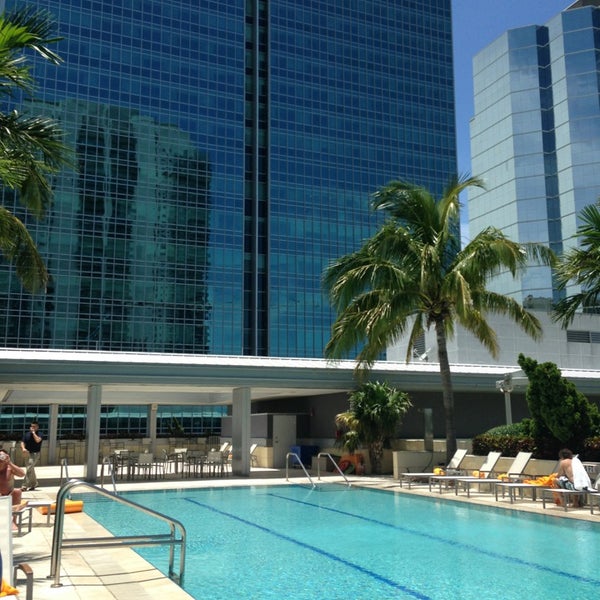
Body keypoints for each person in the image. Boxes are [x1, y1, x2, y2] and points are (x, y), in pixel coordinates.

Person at [0, 447, 26, 531]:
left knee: (17, 492)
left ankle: (13, 521)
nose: (1, 458)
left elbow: (22, 474)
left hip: (9, 495)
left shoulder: (9, 468)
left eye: (2, 456)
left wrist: (10, 462)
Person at [20, 421, 43, 491]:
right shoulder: (26, 434)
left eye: (34, 426)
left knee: (29, 468)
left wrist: (33, 433)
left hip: (35, 453)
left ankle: (24, 486)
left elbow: (38, 440)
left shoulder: (40, 434)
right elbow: (22, 442)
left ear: (37, 427)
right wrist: (23, 448)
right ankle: (34, 484)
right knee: (30, 469)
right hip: (27, 453)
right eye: (31, 426)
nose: (32, 428)